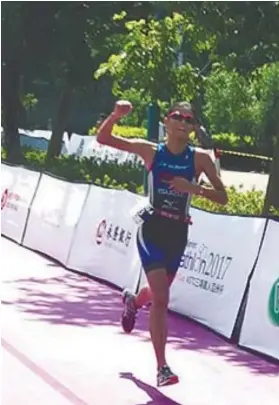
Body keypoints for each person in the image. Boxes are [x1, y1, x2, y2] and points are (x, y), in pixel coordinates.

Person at [97, 100, 228, 387]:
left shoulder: (200, 159)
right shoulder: (151, 150)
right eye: (177, 116)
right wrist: (116, 115)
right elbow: (103, 138)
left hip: (178, 233)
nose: (183, 121)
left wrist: (193, 188)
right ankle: (162, 368)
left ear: (193, 128)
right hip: (153, 229)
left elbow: (223, 197)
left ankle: (132, 301)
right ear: (166, 122)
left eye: (189, 119)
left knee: (158, 295)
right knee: (162, 298)